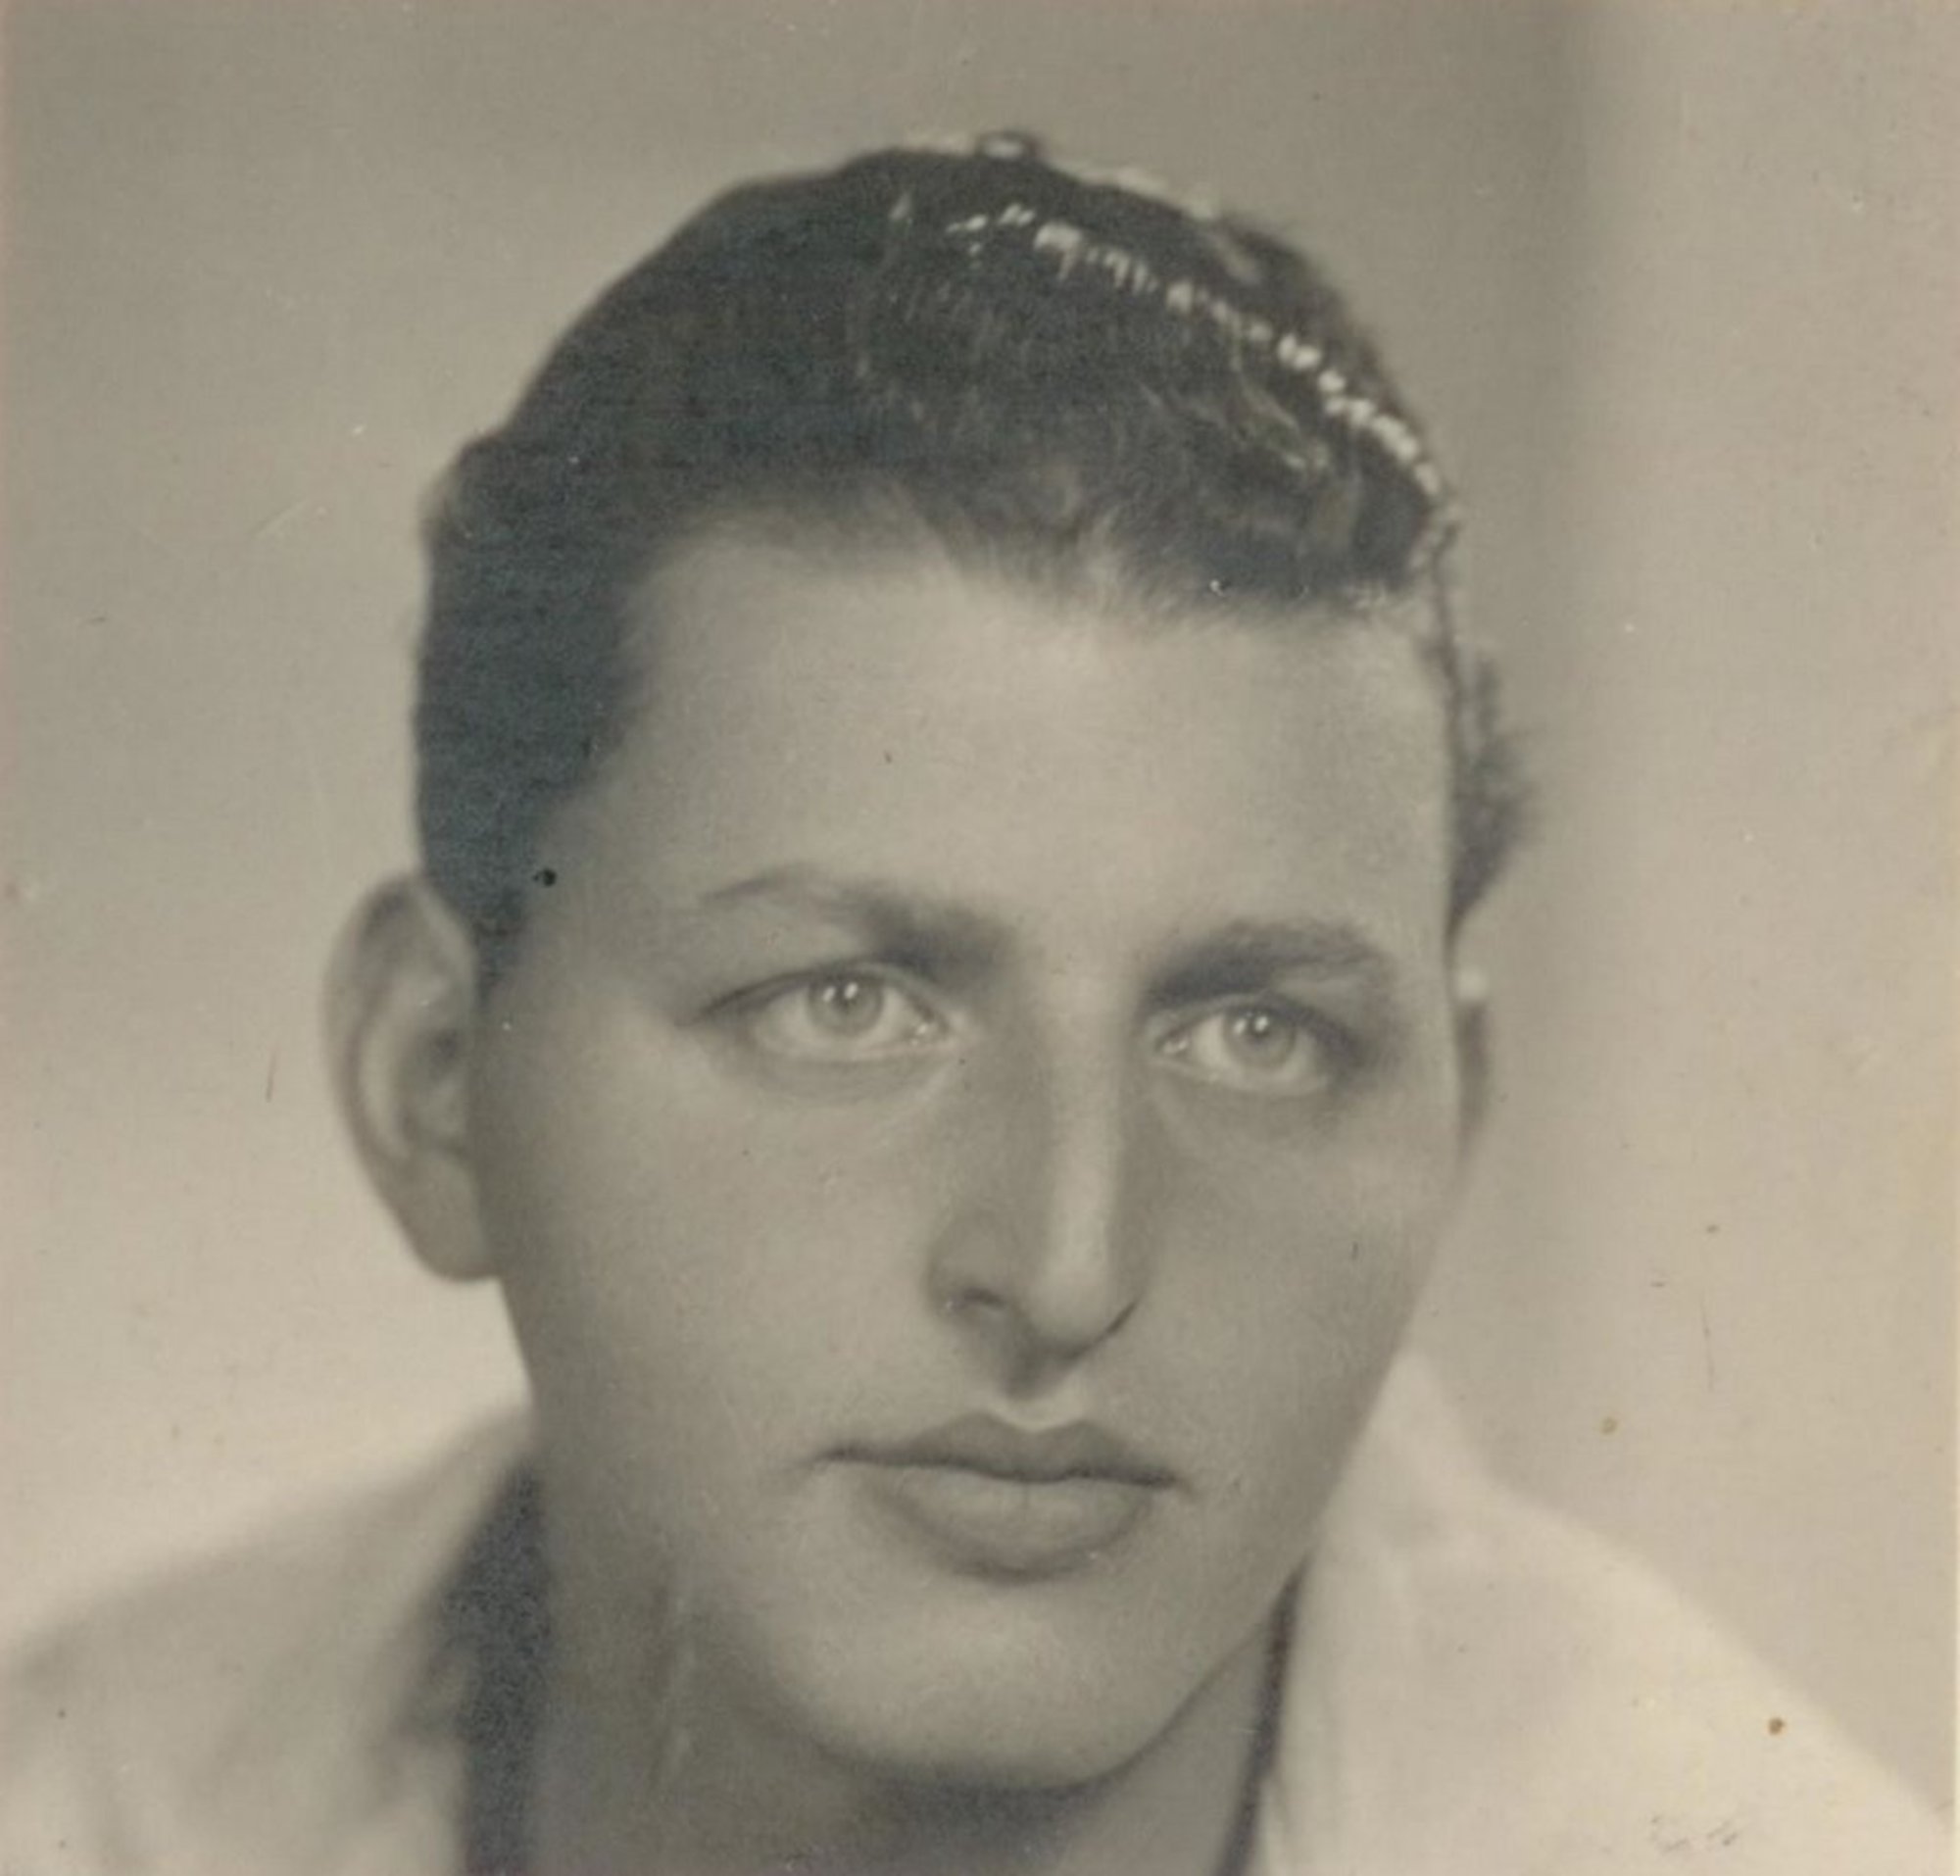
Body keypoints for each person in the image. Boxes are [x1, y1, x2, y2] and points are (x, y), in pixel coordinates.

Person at [1, 134, 1941, 1876]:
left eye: (1256, 1037)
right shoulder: (85, 1802)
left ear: (1457, 1124)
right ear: (435, 1080)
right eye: (846, 1005)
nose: (1067, 1266)